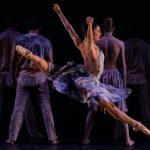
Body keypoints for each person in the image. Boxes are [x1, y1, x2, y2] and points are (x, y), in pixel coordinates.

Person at [15, 3, 150, 143]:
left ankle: (31, 56)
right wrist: (90, 25)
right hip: (89, 82)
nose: (101, 33)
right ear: (91, 33)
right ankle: (136, 124)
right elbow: (90, 42)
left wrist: (59, 13)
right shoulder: (91, 48)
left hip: (81, 74)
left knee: (52, 70)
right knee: (110, 107)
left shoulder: (80, 44)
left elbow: (68, 28)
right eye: (98, 32)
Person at [6, 17, 58, 144]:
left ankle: (12, 138)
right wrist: (51, 80)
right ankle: (53, 138)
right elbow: (50, 63)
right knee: (46, 108)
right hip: (40, 77)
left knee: (18, 108)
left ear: (27, 27)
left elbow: (13, 62)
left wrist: (14, 77)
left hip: (23, 77)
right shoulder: (46, 41)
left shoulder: (19, 40)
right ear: (39, 27)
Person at [82, 17, 134, 146]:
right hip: (115, 75)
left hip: (100, 75)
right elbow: (123, 65)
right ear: (114, 28)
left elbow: (88, 61)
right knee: (120, 108)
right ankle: (127, 139)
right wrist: (124, 85)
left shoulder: (97, 43)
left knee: (93, 108)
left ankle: (85, 138)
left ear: (102, 28)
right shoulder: (119, 43)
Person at [0, 14, 42, 139]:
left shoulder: (1, 36)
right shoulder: (20, 37)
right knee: (25, 103)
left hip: (2, 71)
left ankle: (32, 132)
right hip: (15, 71)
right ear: (16, 23)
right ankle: (33, 132)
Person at [125, 38, 150, 139]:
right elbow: (148, 65)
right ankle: (148, 132)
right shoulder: (146, 46)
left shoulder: (124, 45)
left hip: (127, 79)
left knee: (123, 109)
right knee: (146, 109)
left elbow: (121, 64)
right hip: (141, 79)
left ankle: (120, 133)